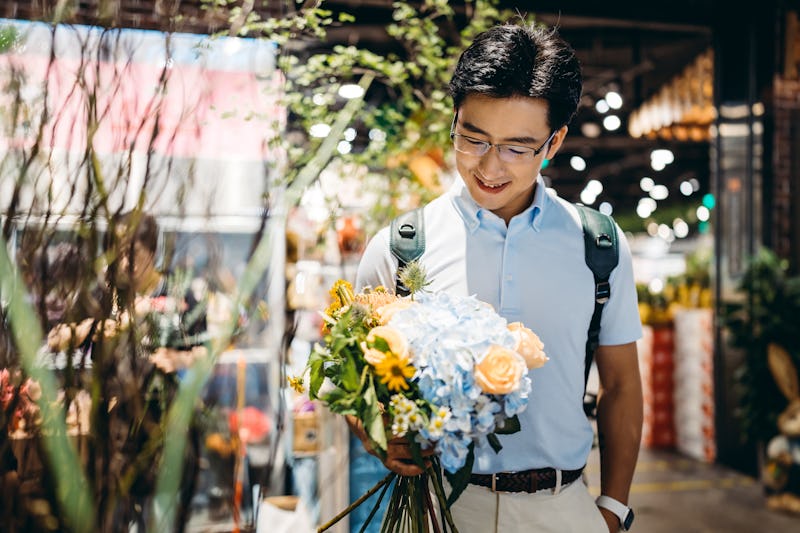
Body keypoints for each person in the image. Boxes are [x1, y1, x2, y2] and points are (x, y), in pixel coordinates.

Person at [353, 21, 643, 533]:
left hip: (562, 507)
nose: (489, 165)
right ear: (455, 122)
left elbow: (620, 384)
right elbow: (353, 382)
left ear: (553, 143)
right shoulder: (401, 248)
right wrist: (377, 432)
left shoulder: (596, 244)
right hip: (438, 507)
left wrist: (614, 509)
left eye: (517, 146)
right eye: (474, 138)